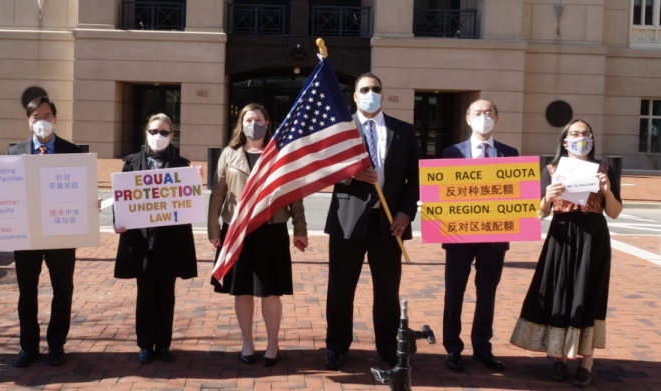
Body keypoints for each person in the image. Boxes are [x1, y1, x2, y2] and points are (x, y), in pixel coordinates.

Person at [0, 96, 82, 367]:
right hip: (25, 233)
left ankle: (57, 344)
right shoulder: (13, 152)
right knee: (26, 291)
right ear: (28, 121)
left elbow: (80, 189)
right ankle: (28, 346)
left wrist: (89, 203)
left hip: (60, 233)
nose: (42, 122)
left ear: (55, 118)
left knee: (62, 289)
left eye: (47, 116)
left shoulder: (73, 151)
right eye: (36, 117)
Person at [510, 119, 621, 387]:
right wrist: (547, 197)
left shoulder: (603, 169)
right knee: (558, 292)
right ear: (564, 140)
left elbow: (615, 212)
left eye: (585, 133)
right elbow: (541, 212)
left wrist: (606, 191)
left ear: (592, 141)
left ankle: (587, 360)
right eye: (574, 133)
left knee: (588, 294)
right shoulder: (551, 169)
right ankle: (558, 357)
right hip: (561, 236)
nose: (580, 137)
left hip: (593, 238)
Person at [323, 72, 421, 370]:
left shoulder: (403, 131)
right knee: (340, 288)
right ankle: (337, 345)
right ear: (354, 96)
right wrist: (350, 173)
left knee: (387, 290)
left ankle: (388, 346)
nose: (370, 93)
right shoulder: (339, 130)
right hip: (347, 221)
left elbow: (415, 177)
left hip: (390, 224)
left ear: (383, 93)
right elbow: (324, 169)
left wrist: (406, 212)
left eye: (375, 88)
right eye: (364, 89)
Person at [207, 103, 308, 367]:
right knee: (241, 291)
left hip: (271, 230)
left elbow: (294, 196)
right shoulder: (228, 154)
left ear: (267, 124)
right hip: (237, 231)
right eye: (249, 119)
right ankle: (247, 342)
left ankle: (272, 343)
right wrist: (214, 229)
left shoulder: (280, 155)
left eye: (259, 119)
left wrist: (300, 230)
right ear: (241, 124)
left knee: (270, 291)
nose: (254, 124)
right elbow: (218, 194)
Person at [114, 113, 199, 364]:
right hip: (141, 242)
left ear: (172, 136)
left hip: (169, 243)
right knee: (145, 294)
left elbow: (187, 202)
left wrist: (195, 182)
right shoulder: (131, 164)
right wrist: (118, 222)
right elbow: (121, 201)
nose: (158, 136)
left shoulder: (182, 166)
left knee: (166, 294)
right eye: (154, 131)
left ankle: (163, 344)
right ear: (146, 133)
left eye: (164, 132)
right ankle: (144, 344)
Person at [440, 100, 516, 372]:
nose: (483, 117)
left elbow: (516, 193)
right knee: (454, 293)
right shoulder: (451, 152)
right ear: (468, 119)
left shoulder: (510, 153)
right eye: (478, 113)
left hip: (494, 237)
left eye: (488, 113)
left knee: (487, 294)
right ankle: (452, 347)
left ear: (497, 118)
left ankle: (482, 347)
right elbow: (442, 191)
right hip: (458, 235)